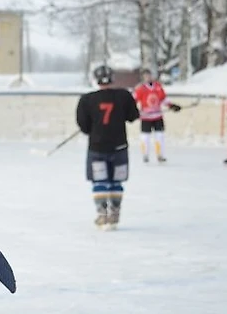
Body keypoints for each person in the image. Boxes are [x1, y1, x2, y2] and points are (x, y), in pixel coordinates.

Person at [76, 65, 140, 230]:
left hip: (97, 147)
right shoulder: (124, 95)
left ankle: (102, 215)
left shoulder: (87, 99)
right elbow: (133, 116)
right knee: (116, 181)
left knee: (100, 181)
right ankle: (115, 213)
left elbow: (84, 126)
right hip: (119, 147)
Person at [132, 68, 181, 163]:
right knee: (145, 137)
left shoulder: (158, 86)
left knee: (160, 136)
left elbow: (163, 99)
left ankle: (160, 155)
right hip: (146, 117)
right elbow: (133, 101)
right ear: (143, 78)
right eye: (146, 76)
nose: (148, 77)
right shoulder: (140, 89)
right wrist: (134, 110)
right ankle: (145, 154)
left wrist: (172, 106)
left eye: (149, 75)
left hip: (158, 116)